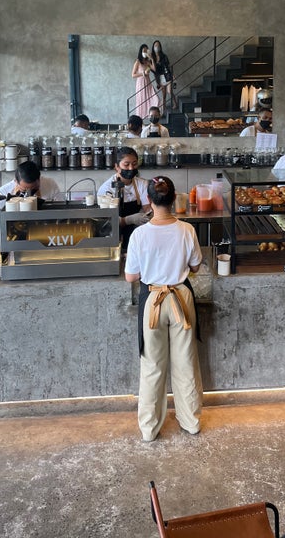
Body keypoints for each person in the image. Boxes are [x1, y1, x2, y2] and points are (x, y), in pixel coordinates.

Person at [125, 175, 203, 442]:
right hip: (181, 298)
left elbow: (131, 276)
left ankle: (149, 428)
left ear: (148, 200)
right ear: (173, 198)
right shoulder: (187, 230)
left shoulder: (139, 234)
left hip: (153, 299)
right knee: (185, 363)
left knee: (152, 365)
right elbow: (195, 267)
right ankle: (191, 422)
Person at [97, 147, 151, 249]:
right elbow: (107, 221)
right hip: (114, 235)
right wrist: (128, 220)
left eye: (134, 164)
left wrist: (147, 215)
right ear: (117, 167)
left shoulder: (142, 184)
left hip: (136, 234)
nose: (131, 168)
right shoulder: (107, 188)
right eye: (126, 164)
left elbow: (147, 208)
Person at [0, 160, 64, 201]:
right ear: (16, 181)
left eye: (34, 188)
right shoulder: (2, 193)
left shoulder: (50, 184)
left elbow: (60, 208)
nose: (29, 192)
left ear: (39, 179)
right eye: (24, 189)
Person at [132, 44, 158, 119]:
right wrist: (143, 73)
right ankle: (141, 118)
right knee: (141, 100)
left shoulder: (147, 61)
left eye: (146, 50)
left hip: (147, 82)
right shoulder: (138, 61)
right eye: (144, 50)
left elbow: (154, 69)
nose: (145, 52)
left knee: (155, 98)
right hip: (140, 83)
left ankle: (151, 115)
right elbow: (133, 75)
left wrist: (152, 59)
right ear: (141, 51)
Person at [151, 40, 176, 115]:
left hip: (167, 75)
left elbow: (168, 66)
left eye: (158, 46)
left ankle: (175, 103)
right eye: (155, 45)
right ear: (153, 47)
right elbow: (153, 70)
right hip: (160, 77)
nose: (157, 47)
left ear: (160, 47)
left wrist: (172, 75)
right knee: (164, 95)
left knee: (169, 91)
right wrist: (157, 82)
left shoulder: (164, 56)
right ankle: (163, 109)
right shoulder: (152, 58)